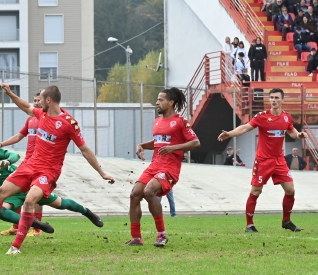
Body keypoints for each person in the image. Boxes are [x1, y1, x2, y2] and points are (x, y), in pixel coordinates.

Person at [0, 83, 115, 255]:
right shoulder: (40, 115)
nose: (37, 103)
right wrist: (9, 94)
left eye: (40, 99)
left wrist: (102, 172)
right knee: (0, 193)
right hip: (29, 166)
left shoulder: (69, 123)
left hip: (47, 172)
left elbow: (85, 150)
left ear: (48, 100)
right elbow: (26, 108)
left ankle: (16, 247)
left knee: (31, 201)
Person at [218, 88, 306, 233]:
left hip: (279, 160)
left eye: (277, 98)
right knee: (256, 191)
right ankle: (249, 225)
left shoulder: (286, 117)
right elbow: (245, 128)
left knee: (290, 190)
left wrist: (299, 135)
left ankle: (286, 221)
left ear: (282, 100)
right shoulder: (262, 116)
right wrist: (229, 134)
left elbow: (292, 132)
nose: (274, 100)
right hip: (263, 160)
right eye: (271, 98)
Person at [126, 88, 200, 247]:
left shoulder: (180, 121)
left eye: (160, 100)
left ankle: (162, 235)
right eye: (157, 100)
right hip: (154, 165)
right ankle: (136, 238)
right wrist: (142, 145)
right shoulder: (158, 121)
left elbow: (196, 142)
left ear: (171, 102)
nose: (157, 102)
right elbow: (159, 142)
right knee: (135, 194)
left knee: (149, 191)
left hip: (170, 168)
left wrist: (174, 148)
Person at [0, 91, 46, 237]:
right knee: (17, 191)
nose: (36, 102)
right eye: (35, 100)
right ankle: (16, 226)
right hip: (27, 162)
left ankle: (37, 229)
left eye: (39, 100)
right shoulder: (30, 120)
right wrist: (0, 144)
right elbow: (18, 137)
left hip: (41, 163)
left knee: (36, 196)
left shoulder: (47, 119)